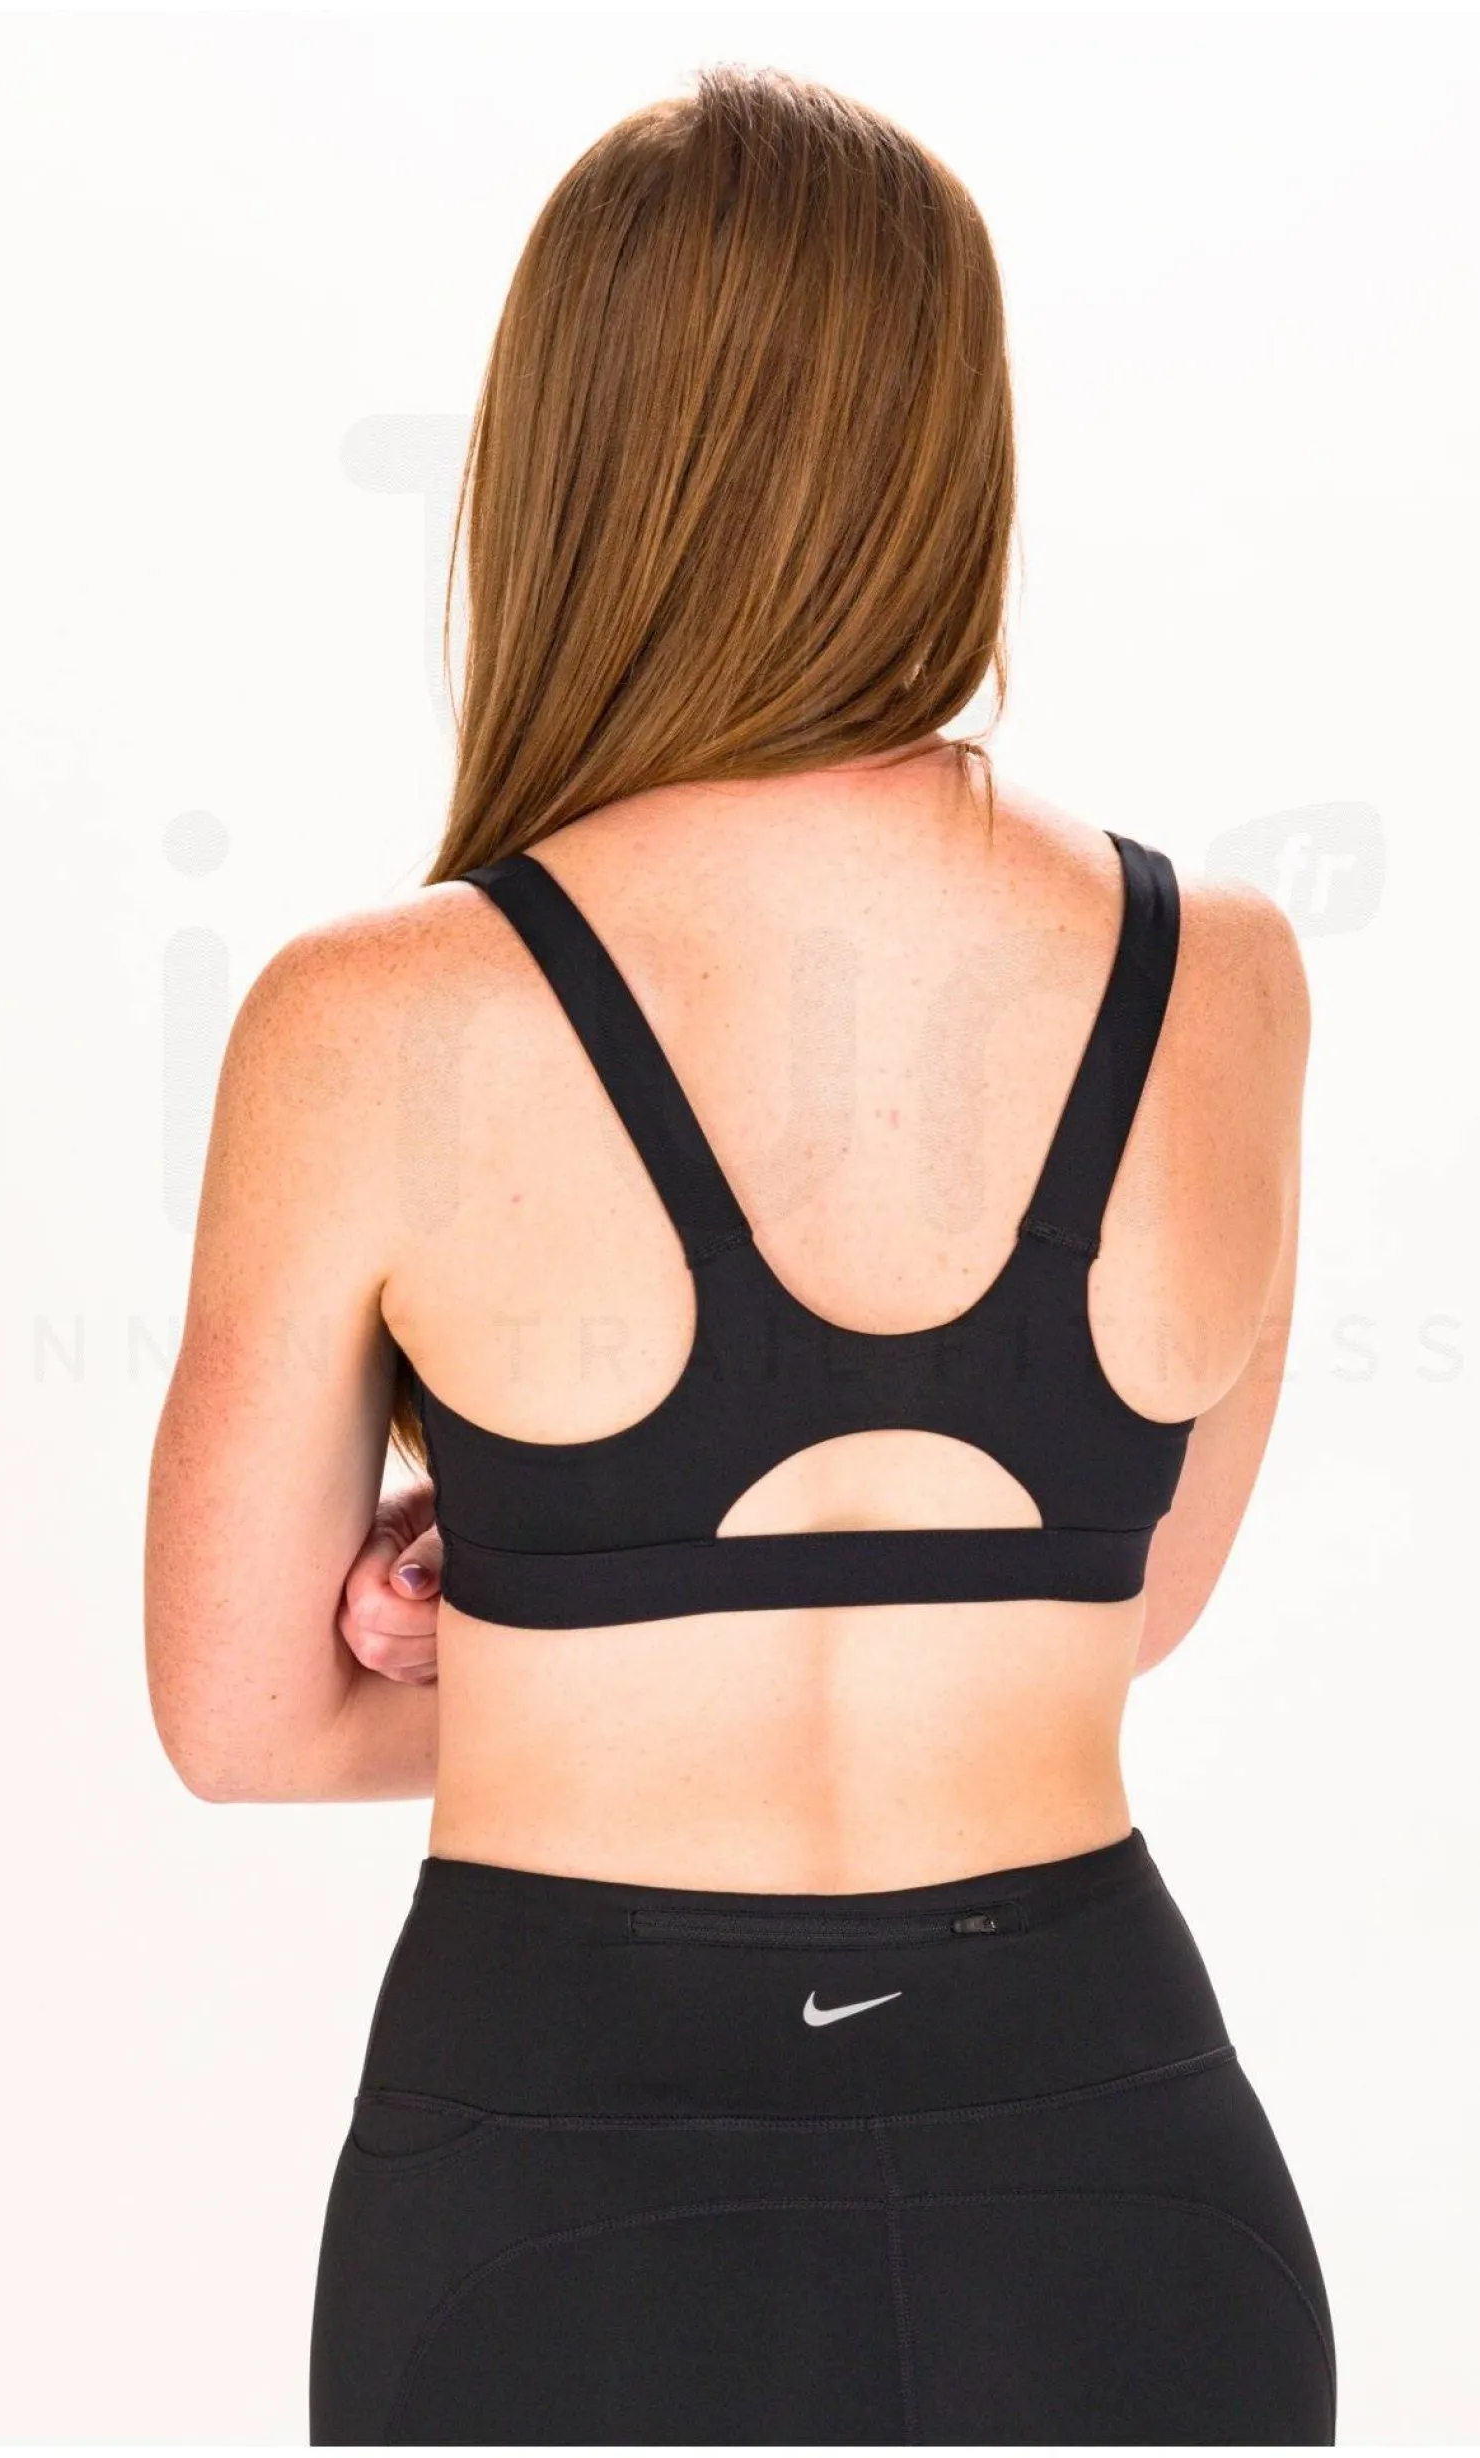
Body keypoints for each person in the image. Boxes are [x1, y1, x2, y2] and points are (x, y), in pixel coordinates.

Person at [145, 64, 1335, 2445]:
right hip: (1117, 2176)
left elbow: (245, 1716)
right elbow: (1119, 1606)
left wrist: (548, 1632)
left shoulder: (371, 1018)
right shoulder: (1219, 975)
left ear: (567, 463)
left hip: (565, 2200)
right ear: (951, 450)